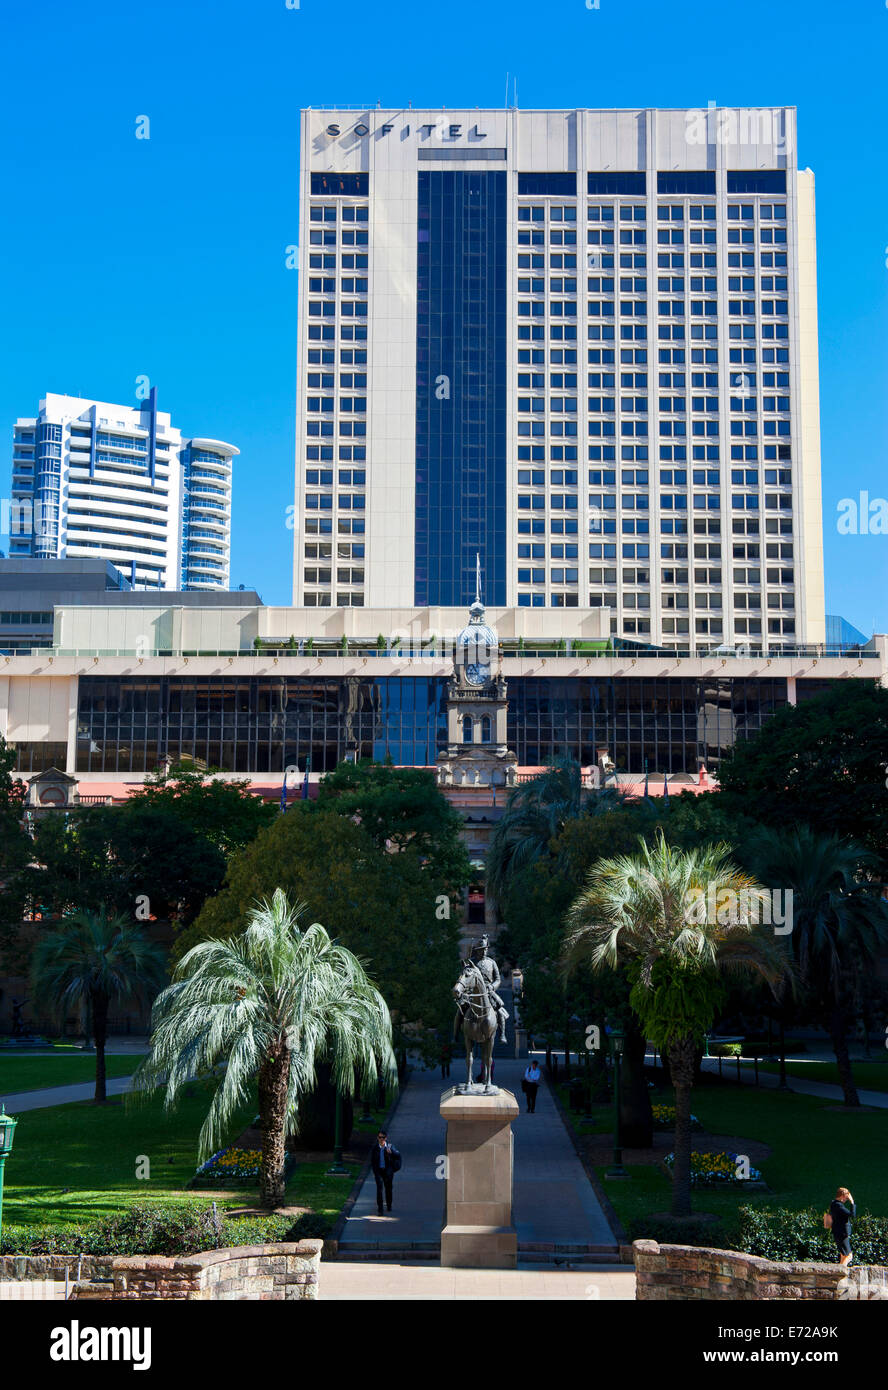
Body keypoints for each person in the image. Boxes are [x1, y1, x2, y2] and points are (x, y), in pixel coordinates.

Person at [370, 1130, 401, 1216]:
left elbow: (398, 1155)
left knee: (388, 1188)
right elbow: (372, 1161)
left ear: (386, 1138)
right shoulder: (375, 1148)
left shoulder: (390, 1147)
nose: (381, 1139)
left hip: (388, 1171)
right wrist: (375, 1171)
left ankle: (389, 1204)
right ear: (377, 1138)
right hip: (379, 1171)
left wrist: (391, 1152)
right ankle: (380, 1209)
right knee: (379, 1189)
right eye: (379, 1137)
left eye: (383, 1137)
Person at [826, 1186, 856, 1266]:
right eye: (846, 1198)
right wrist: (852, 1202)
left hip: (838, 1233)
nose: (846, 1200)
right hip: (842, 1233)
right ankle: (841, 1271)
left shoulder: (833, 1204)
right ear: (842, 1196)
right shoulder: (838, 1205)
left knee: (843, 1255)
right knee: (848, 1255)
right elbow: (852, 1215)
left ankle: (839, 1274)